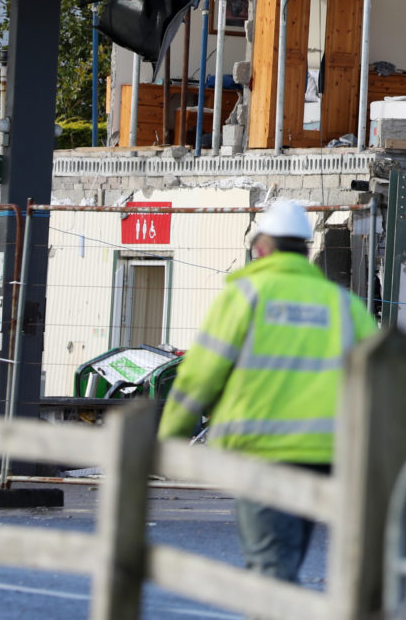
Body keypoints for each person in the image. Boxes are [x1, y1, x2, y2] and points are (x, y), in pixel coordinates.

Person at [159, 199, 374, 584]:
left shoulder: (245, 296)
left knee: (270, 570)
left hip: (260, 451)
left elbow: (199, 377)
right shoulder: (343, 305)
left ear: (261, 247)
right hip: (324, 455)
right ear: (305, 249)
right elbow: (379, 381)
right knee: (284, 558)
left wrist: (167, 440)